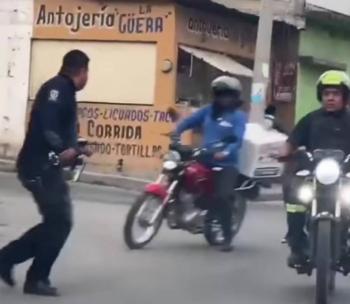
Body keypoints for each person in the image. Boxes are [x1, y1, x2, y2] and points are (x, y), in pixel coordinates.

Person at [0, 50, 92, 296]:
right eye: (87, 73)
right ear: (81, 71)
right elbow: (49, 128)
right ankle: (35, 278)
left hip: (45, 167)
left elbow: (60, 131)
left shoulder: (65, 91)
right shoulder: (57, 89)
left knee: (56, 222)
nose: (88, 78)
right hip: (37, 166)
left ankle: (6, 259)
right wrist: (65, 149)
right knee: (60, 222)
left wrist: (78, 147)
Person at [278, 70, 350, 267]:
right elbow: (291, 142)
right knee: (294, 196)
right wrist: (284, 152)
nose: (330, 98)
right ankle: (297, 245)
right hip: (313, 174)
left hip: (345, 174)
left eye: (335, 94)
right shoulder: (310, 119)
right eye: (327, 94)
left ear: (344, 96)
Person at [174, 75, 247, 252]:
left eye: (227, 95)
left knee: (222, 197)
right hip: (204, 160)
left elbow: (237, 139)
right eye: (220, 94)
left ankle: (227, 237)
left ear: (235, 97)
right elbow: (189, 122)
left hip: (226, 164)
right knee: (181, 174)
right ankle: (180, 210)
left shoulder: (238, 116)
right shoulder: (208, 111)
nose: (223, 99)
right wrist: (176, 132)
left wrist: (226, 152)